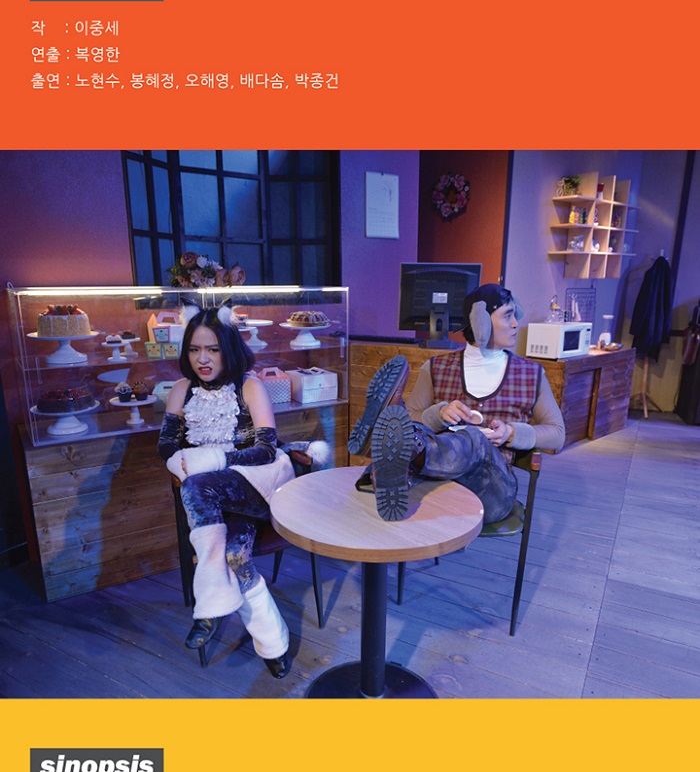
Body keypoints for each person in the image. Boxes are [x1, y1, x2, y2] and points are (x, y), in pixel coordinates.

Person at [157, 306, 301, 674]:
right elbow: (167, 446)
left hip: (254, 488)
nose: (202, 359)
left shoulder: (250, 386)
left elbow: (266, 449)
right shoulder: (181, 390)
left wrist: (209, 460)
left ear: (229, 349)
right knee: (235, 556)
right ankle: (274, 645)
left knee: (197, 483)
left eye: (213, 349)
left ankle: (210, 602)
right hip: (211, 505)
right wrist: (183, 463)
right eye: (194, 349)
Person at [348, 284, 565, 525]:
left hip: (493, 492)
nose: (516, 323)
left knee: (475, 438)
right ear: (481, 322)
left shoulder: (531, 373)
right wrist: (439, 413)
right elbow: (409, 418)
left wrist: (511, 432)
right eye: (507, 315)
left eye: (515, 315)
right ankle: (401, 461)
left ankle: (403, 452)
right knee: (411, 427)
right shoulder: (436, 367)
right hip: (439, 479)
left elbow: (557, 433)